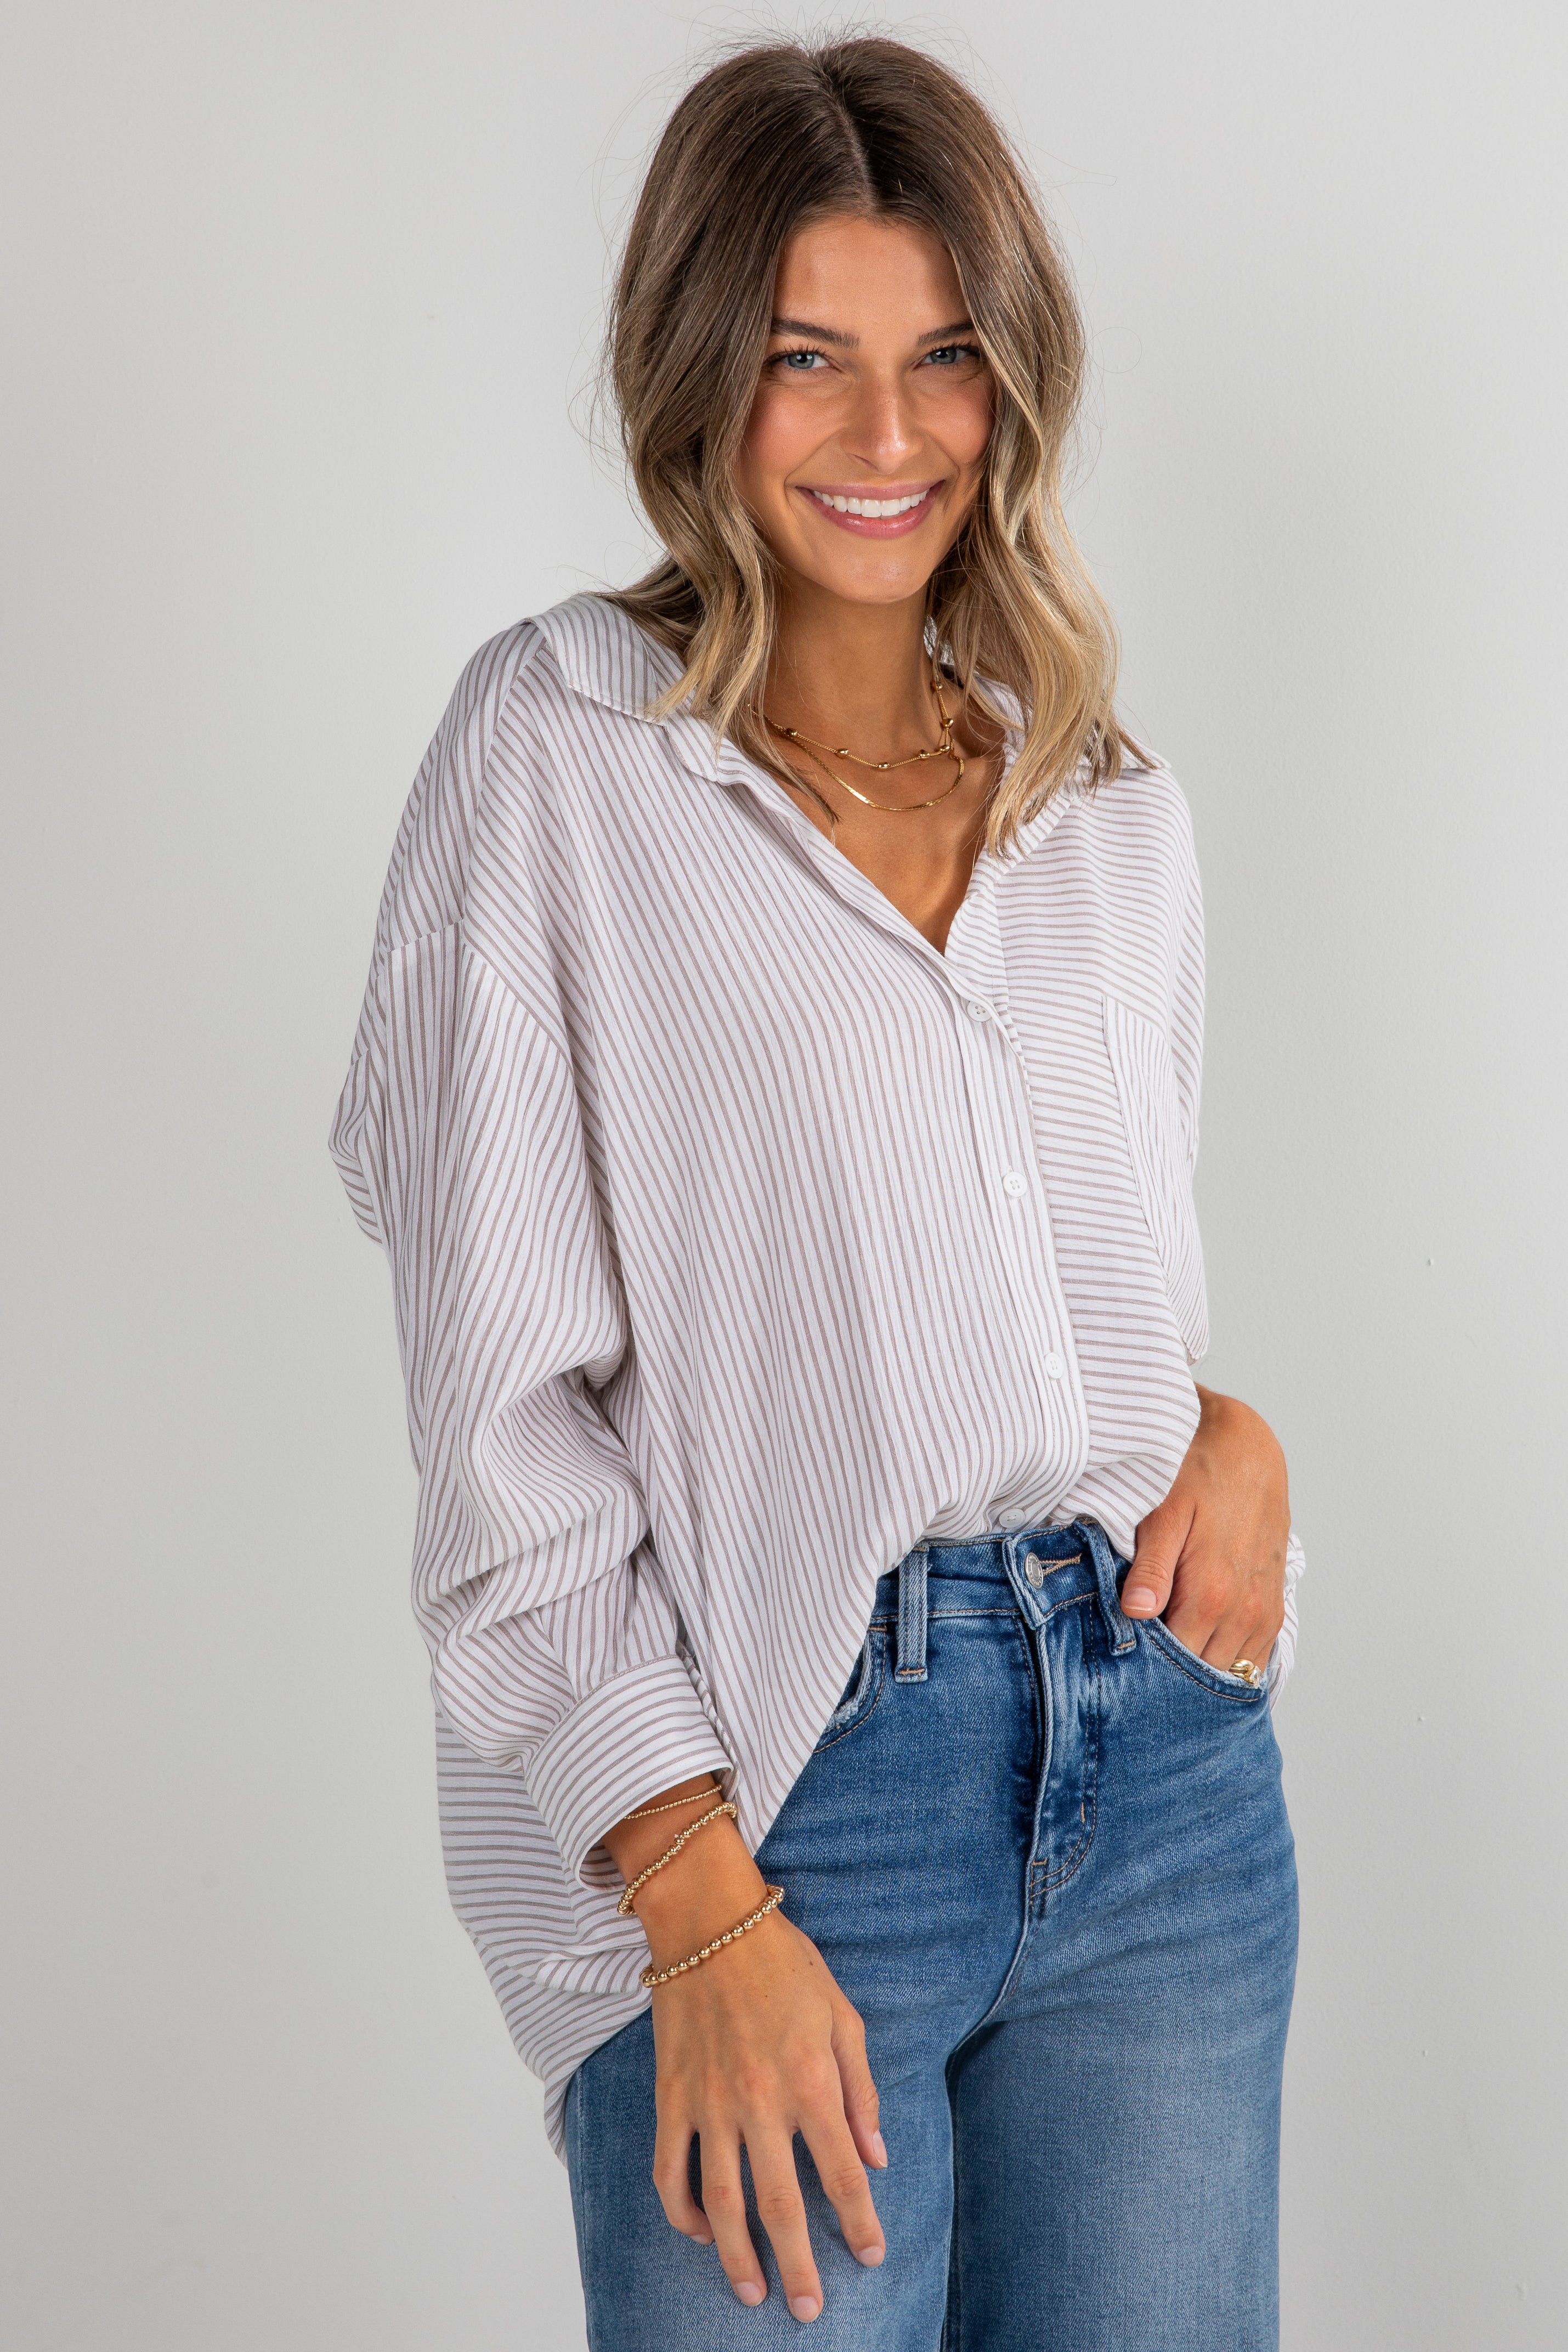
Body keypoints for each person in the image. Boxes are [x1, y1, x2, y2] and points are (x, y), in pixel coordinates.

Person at [331, 35, 1302, 2350]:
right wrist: (690, 1896)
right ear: (699, 381)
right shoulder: (558, 762)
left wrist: (1223, 1431)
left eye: (944, 358)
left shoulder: (1106, 805)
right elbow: (499, 1418)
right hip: (782, 1795)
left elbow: (1043, 1297)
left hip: (1161, 1772)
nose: (889, 438)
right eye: (808, 362)